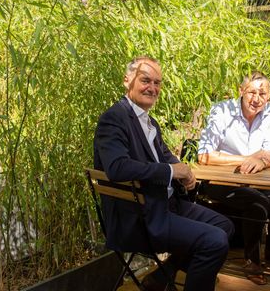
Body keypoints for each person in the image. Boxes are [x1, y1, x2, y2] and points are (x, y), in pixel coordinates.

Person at [94, 56, 234, 291]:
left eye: (157, 83)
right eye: (145, 80)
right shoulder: (114, 118)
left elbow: (165, 156)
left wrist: (184, 170)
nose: (152, 88)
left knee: (225, 226)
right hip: (139, 216)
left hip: (164, 204)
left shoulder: (150, 123)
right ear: (127, 80)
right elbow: (117, 167)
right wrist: (170, 171)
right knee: (214, 241)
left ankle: (162, 277)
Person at [198, 72, 270, 286]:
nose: (256, 98)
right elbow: (204, 155)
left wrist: (263, 160)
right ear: (241, 91)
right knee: (256, 205)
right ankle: (252, 261)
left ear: (268, 96)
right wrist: (248, 159)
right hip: (220, 180)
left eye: (262, 93)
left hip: (259, 178)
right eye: (251, 92)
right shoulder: (221, 111)